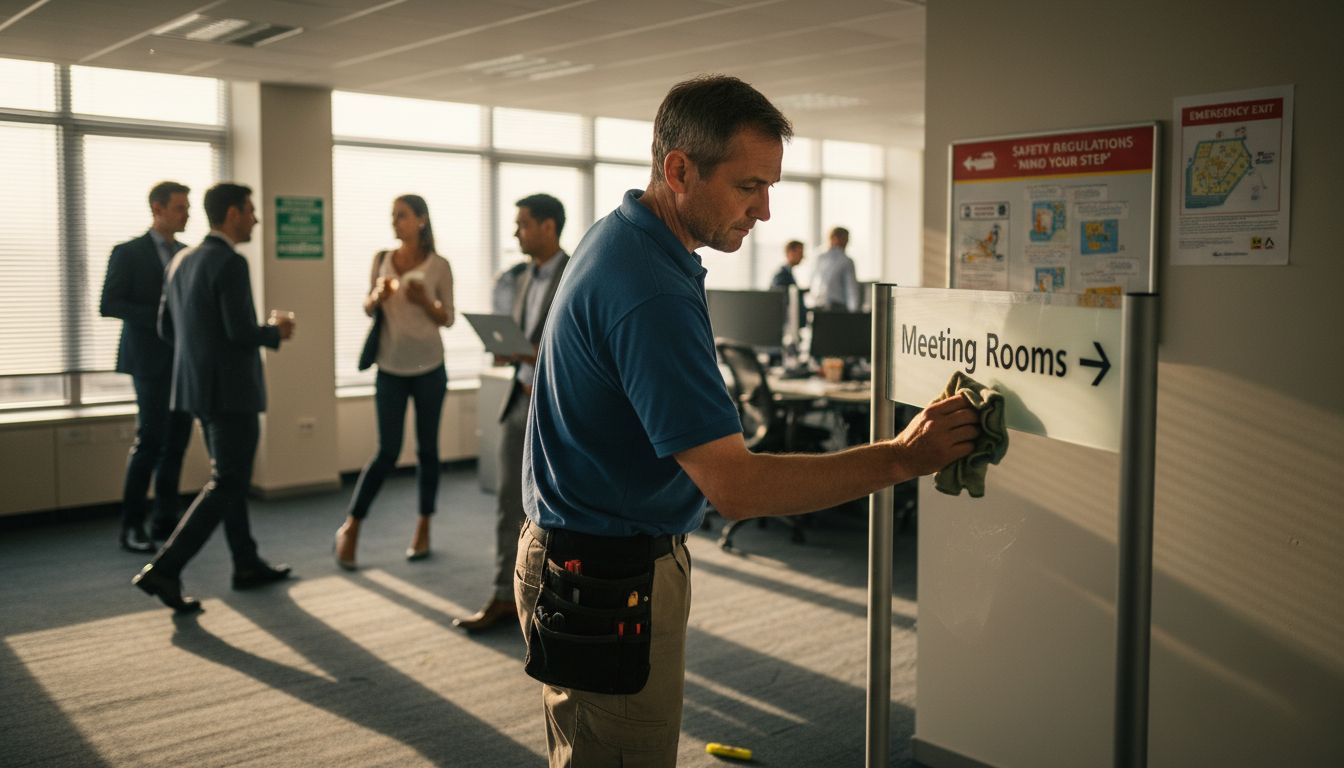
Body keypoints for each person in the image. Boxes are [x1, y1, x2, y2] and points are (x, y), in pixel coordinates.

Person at [514, 75, 980, 767]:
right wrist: (902, 459)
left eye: (772, 187)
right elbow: (737, 488)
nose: (765, 211)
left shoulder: (623, 236)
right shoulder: (650, 290)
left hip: (580, 551)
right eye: (748, 186)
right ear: (679, 170)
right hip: (605, 570)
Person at [131, 182, 295, 613]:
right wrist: (276, 331)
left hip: (196, 390)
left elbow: (168, 331)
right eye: (251, 211)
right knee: (227, 482)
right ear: (232, 214)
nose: (256, 218)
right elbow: (241, 333)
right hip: (232, 392)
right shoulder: (230, 263)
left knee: (232, 477)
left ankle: (245, 562)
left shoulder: (181, 260)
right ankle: (165, 568)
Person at [455, 193, 569, 633]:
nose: (516, 232)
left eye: (522, 224)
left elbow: (576, 343)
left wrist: (538, 353)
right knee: (508, 504)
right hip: (517, 399)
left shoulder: (574, 271)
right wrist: (510, 350)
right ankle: (506, 596)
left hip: (554, 407)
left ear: (547, 226)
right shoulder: (519, 277)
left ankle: (550, 604)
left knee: (554, 511)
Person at [334, 194, 455, 569]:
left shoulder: (440, 265)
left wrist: (424, 302)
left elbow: (447, 317)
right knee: (386, 452)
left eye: (401, 215)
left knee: (427, 452)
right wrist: (377, 295)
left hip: (430, 368)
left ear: (421, 220)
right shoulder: (381, 259)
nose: (395, 222)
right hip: (390, 368)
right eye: (392, 216)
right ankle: (351, 526)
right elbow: (368, 307)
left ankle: (423, 526)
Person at [100, 181, 196, 552]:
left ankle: (165, 521)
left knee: (177, 444)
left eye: (187, 208)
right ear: (157, 209)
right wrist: (161, 317)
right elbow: (109, 304)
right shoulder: (128, 253)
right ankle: (132, 526)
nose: (186, 214)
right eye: (179, 207)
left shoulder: (190, 254)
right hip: (148, 361)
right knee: (151, 441)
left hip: (182, 362)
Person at [809, 226, 861, 311]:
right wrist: (854, 311)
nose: (847, 243)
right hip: (836, 307)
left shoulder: (819, 257)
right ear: (835, 238)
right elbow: (851, 289)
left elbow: (812, 282)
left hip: (818, 305)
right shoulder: (846, 260)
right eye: (846, 239)